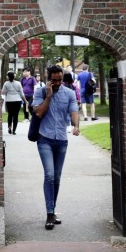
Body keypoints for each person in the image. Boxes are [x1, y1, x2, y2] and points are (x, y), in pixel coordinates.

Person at [32, 65, 80, 231]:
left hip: (61, 139)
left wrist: (76, 125)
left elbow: (74, 111)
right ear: (49, 78)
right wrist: (49, 96)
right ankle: (49, 213)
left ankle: (52, 208)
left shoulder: (70, 93)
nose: (58, 83)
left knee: (57, 177)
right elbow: (38, 113)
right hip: (44, 138)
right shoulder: (40, 92)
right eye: (54, 80)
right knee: (50, 175)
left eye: (60, 80)